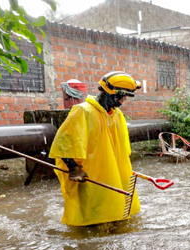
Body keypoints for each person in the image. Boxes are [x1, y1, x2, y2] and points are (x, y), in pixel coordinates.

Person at [49, 71, 141, 226]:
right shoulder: (83, 111)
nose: (123, 101)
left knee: (116, 213)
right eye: (122, 96)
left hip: (112, 174)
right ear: (110, 94)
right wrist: (73, 168)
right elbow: (65, 143)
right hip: (90, 175)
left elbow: (122, 149)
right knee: (91, 217)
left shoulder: (117, 115)